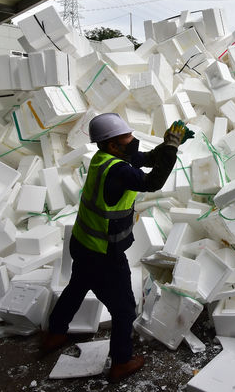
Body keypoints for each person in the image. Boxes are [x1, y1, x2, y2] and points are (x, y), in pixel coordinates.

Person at [41, 113, 193, 382]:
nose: (133, 140)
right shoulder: (119, 171)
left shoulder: (105, 159)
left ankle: (55, 333)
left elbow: (144, 159)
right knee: (124, 309)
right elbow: (152, 182)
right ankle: (122, 361)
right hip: (103, 254)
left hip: (83, 244)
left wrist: (168, 146)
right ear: (113, 145)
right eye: (128, 137)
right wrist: (170, 149)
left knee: (77, 287)